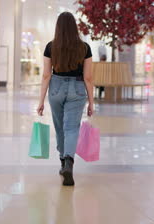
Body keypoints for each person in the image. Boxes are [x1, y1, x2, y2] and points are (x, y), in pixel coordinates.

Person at [37, 12, 94, 186]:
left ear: (58, 27)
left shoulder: (50, 47)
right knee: (72, 127)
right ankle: (69, 162)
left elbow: (46, 75)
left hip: (56, 87)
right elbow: (88, 77)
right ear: (74, 27)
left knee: (60, 126)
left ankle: (63, 161)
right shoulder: (84, 47)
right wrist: (92, 102)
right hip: (77, 89)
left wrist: (40, 101)